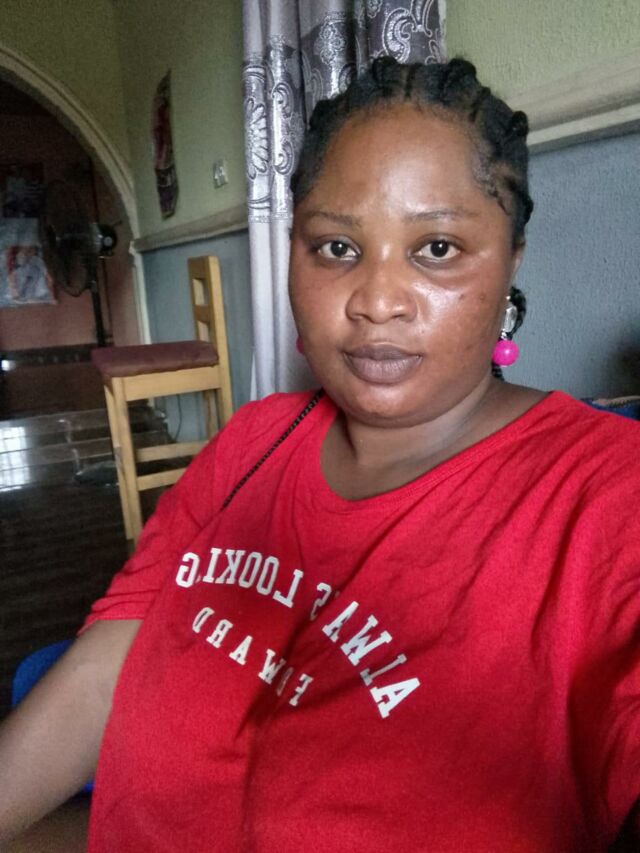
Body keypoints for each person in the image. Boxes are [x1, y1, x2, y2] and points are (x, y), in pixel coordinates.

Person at [1, 57, 639, 852]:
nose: (376, 300)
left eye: (437, 247)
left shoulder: (608, 493)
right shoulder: (251, 442)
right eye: (336, 246)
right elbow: (103, 673)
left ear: (512, 258)